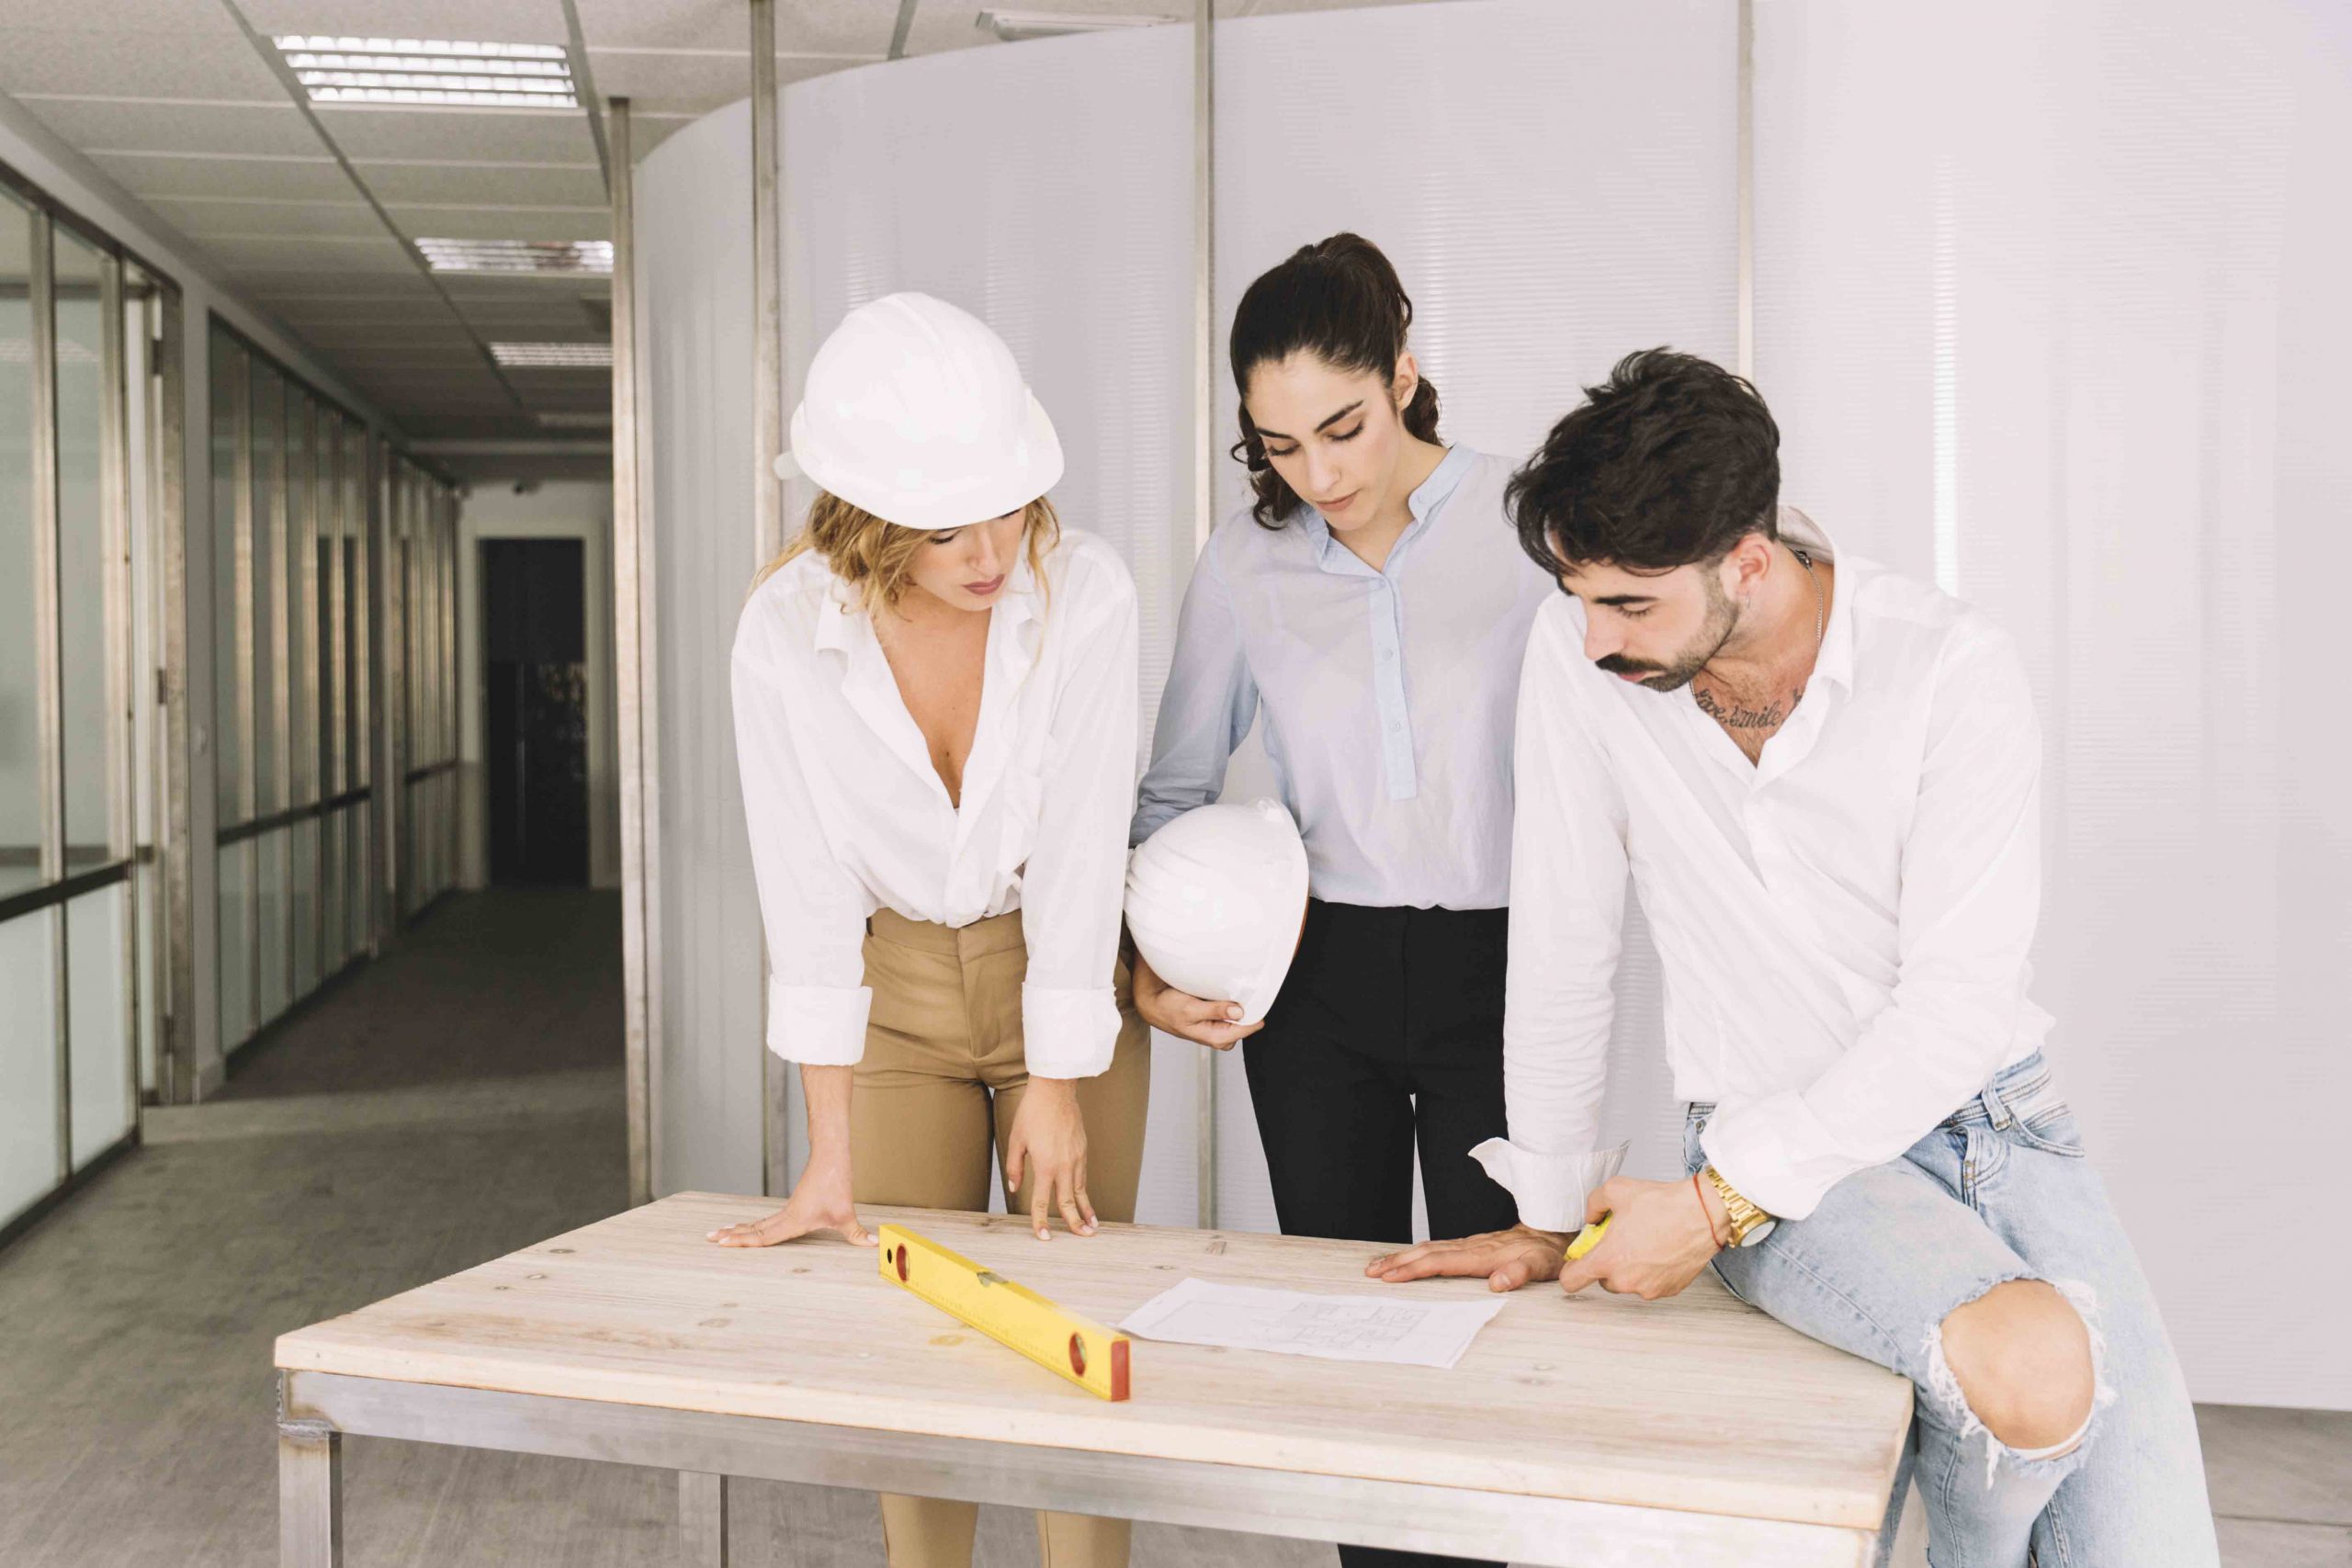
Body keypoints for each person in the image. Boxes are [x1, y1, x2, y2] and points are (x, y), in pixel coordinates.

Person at [1370, 348, 2220, 1565]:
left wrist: (1709, 1211)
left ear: (1748, 565)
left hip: (2000, 1125)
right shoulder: (1581, 661)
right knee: (2023, 1366)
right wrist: (1554, 1212)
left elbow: (1956, 1010)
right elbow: (1565, 940)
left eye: (1629, 604)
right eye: (1578, 596)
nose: (1594, 636)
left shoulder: (1949, 671)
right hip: (1787, 1154)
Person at [1130, 233, 1550, 1568]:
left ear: (1408, 375)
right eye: (1281, 447)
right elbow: (1172, 791)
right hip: (1316, 983)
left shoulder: (1530, 527)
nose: (1320, 476)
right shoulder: (1246, 565)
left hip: (1510, 967)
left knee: (1505, 1320)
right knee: (1351, 1325)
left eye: (1344, 429)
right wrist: (1150, 971)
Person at [716, 291, 1148, 1568]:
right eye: (947, 526)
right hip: (892, 985)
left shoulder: (1090, 596)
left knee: (1070, 1315)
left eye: (1008, 506)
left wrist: (1057, 1081)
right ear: (860, 518)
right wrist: (827, 1149)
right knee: (920, 1329)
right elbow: (802, 893)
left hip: (1056, 969)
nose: (991, 551)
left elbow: (1080, 851)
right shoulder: (784, 632)